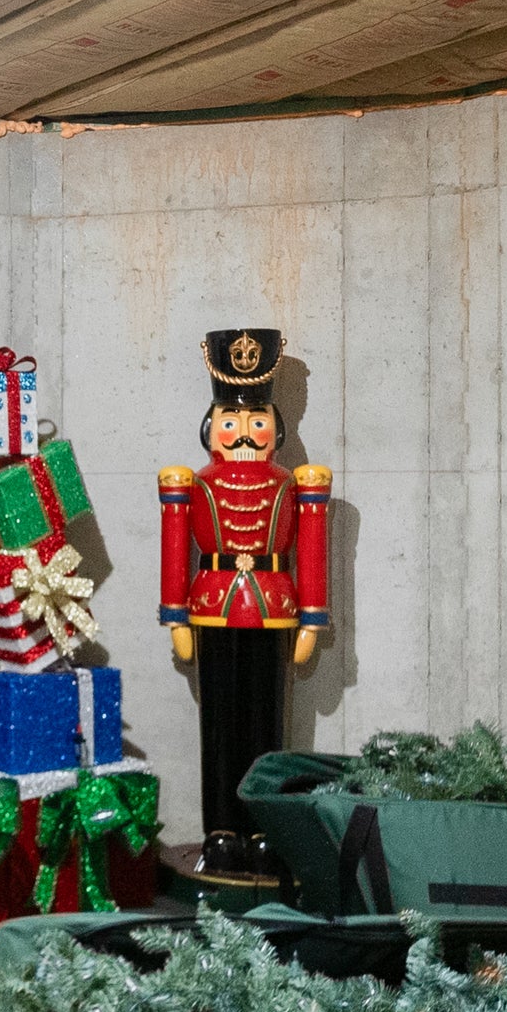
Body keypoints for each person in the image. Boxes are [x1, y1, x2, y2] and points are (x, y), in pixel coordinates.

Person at [158, 328, 330, 867]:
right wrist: (176, 616)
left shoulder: (295, 483)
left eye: (256, 421)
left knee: (267, 725)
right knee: (218, 726)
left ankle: (262, 829)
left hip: (273, 609)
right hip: (213, 605)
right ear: (211, 427)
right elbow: (174, 547)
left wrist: (312, 619)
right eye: (231, 421)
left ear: (275, 427)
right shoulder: (192, 482)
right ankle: (220, 829)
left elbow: (312, 549)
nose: (244, 433)